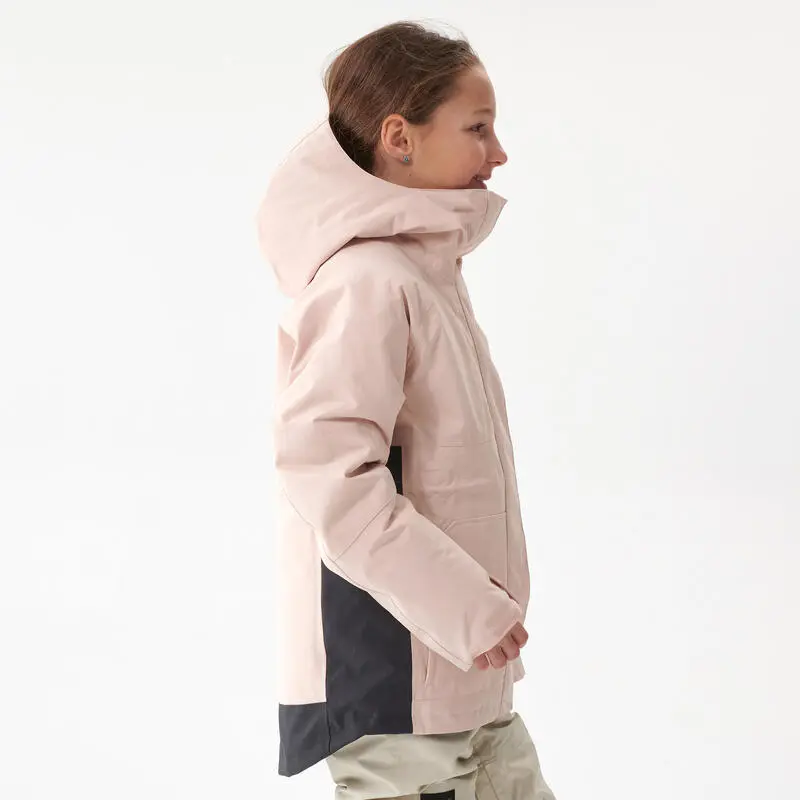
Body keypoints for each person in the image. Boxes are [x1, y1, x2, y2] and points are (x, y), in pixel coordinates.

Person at [255, 19, 557, 800]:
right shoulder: (366, 282)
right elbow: (328, 476)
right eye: (478, 128)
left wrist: (476, 621)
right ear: (401, 138)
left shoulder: (422, 276)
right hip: (398, 684)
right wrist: (466, 609)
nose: (499, 152)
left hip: (457, 676)